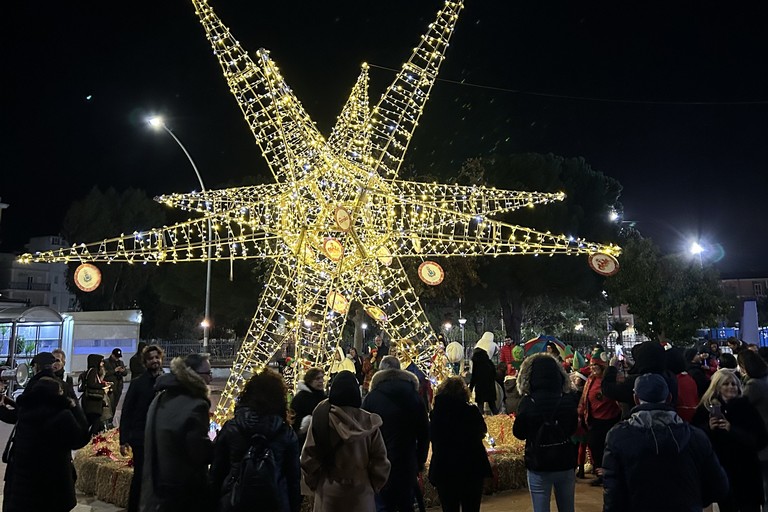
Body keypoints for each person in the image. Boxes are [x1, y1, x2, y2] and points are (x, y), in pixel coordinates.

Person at [603, 373, 728, 511]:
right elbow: (719, 486)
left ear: (636, 399)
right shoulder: (696, 436)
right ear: (669, 398)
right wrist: (694, 500)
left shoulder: (618, 437)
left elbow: (613, 493)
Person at [210, 369, 301, 512]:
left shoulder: (232, 428)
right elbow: (293, 480)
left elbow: (217, 473)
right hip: (275, 503)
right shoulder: (286, 433)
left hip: (234, 502)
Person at [301, 370, 390, 512]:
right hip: (362, 494)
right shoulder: (369, 423)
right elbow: (381, 461)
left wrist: (315, 484)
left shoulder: (321, 419)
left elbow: (308, 458)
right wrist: (373, 485)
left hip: (329, 492)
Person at [2, 376, 91, 512]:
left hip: (25, 485)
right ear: (56, 394)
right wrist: (73, 406)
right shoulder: (62, 416)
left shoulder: (25, 414)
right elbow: (81, 438)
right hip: (53, 486)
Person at [141, 353, 214, 512]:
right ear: (194, 375)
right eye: (207, 373)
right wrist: (218, 444)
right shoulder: (196, 405)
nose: (210, 379)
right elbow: (199, 452)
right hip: (185, 488)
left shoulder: (162, 396)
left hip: (159, 481)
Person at [692, 369, 768, 512]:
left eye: (734, 384)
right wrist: (708, 428)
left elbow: (760, 439)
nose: (731, 387)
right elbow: (695, 436)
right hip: (721, 469)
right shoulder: (705, 410)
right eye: (725, 384)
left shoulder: (746, 408)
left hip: (746, 469)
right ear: (717, 387)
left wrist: (732, 430)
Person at [513, 353, 579, 512]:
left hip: (539, 461)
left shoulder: (528, 402)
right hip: (565, 460)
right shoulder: (567, 398)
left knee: (540, 507)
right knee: (567, 507)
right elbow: (573, 428)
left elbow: (519, 433)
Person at [362, 355, 429, 512]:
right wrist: (420, 460)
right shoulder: (414, 396)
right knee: (407, 504)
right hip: (407, 460)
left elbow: (364, 431)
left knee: (383, 505)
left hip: (379, 461)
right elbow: (424, 431)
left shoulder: (371, 398)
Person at [428, 376, 492, 512]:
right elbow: (482, 431)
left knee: (449, 507)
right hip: (472, 467)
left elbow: (433, 436)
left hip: (445, 467)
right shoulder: (471, 411)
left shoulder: (436, 414)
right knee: (472, 507)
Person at [119, 344, 165, 512]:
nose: (154, 361)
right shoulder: (138, 383)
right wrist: (123, 439)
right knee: (140, 476)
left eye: (157, 357)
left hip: (160, 438)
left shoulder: (167, 382)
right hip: (141, 437)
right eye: (151, 358)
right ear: (145, 362)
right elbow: (127, 411)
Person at [579, 351, 621, 487]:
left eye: (596, 365)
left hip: (610, 420)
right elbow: (585, 398)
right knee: (595, 448)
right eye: (591, 365)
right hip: (594, 420)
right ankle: (600, 474)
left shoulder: (610, 379)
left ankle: (610, 474)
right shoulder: (591, 379)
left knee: (608, 449)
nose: (593, 368)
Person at [737, 350, 768, 506]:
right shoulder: (765, 378)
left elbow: (739, 408)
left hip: (762, 442)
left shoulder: (753, 385)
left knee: (763, 485)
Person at [290, 367, 327, 447]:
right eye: (317, 378)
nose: (321, 381)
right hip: (304, 441)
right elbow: (293, 420)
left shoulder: (323, 397)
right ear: (310, 381)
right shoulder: (300, 398)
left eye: (322, 378)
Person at [81, 353, 112, 435]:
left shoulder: (93, 371)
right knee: (96, 422)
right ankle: (90, 439)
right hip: (92, 402)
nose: (102, 364)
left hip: (92, 402)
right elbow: (91, 384)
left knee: (92, 422)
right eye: (101, 361)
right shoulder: (93, 371)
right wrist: (103, 385)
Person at [470, 338, 498, 415]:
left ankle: (481, 420)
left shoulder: (477, 364)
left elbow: (474, 377)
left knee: (480, 406)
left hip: (480, 388)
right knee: (493, 406)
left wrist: (470, 388)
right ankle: (499, 419)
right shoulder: (489, 362)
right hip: (490, 387)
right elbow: (494, 374)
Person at [104, 347, 128, 416]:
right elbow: (104, 374)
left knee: (114, 405)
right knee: (109, 405)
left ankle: (111, 420)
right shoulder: (106, 362)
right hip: (110, 387)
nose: (117, 359)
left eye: (118, 357)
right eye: (116, 357)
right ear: (112, 355)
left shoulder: (120, 362)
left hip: (118, 387)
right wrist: (114, 370)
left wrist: (122, 371)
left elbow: (125, 373)